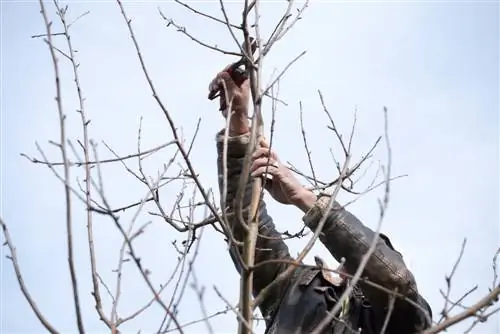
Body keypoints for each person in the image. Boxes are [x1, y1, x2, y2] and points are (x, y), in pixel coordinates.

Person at [208, 64, 433, 334]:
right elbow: (244, 227)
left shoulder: (404, 319)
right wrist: (238, 121)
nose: (351, 258)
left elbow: (395, 279)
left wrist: (305, 198)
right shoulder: (293, 292)